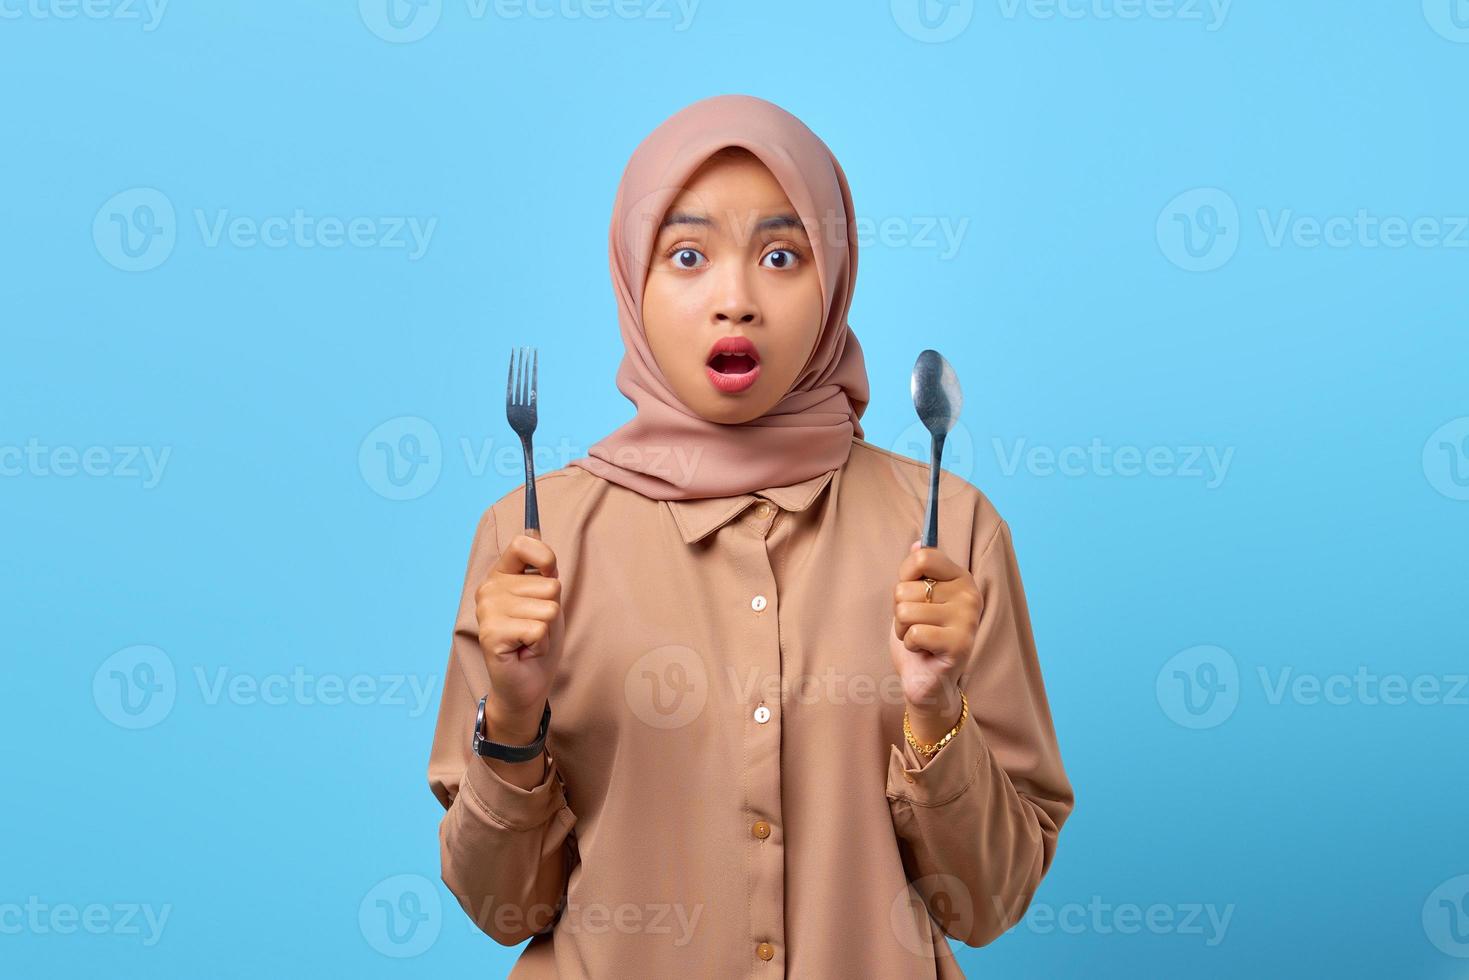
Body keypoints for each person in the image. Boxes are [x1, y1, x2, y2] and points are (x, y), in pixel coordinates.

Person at [426, 93, 1075, 979]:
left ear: (835, 280)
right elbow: (505, 910)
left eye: (780, 255)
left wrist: (935, 716)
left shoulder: (949, 533)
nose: (734, 301)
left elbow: (987, 903)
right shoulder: (530, 541)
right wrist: (509, 715)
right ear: (632, 280)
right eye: (687, 255)